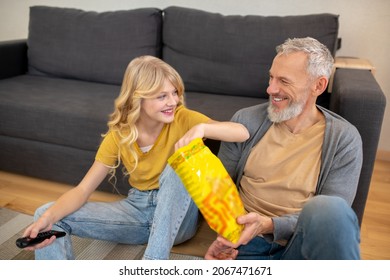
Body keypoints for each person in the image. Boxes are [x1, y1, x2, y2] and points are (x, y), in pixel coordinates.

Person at [21, 55, 249, 260]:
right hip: (137, 211)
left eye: (175, 93)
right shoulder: (119, 135)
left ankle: (153, 263)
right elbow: (82, 191)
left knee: (177, 164)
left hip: (177, 220)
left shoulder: (184, 118)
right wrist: (48, 217)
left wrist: (203, 129)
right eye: (162, 96)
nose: (173, 101)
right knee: (46, 216)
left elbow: (242, 132)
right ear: (138, 98)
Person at [204, 37, 362, 260]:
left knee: (330, 210)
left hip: (302, 244)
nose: (271, 89)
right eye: (271, 77)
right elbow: (219, 187)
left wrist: (268, 225)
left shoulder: (344, 139)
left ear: (318, 85)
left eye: (284, 81)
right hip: (245, 244)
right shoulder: (245, 121)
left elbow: (331, 222)